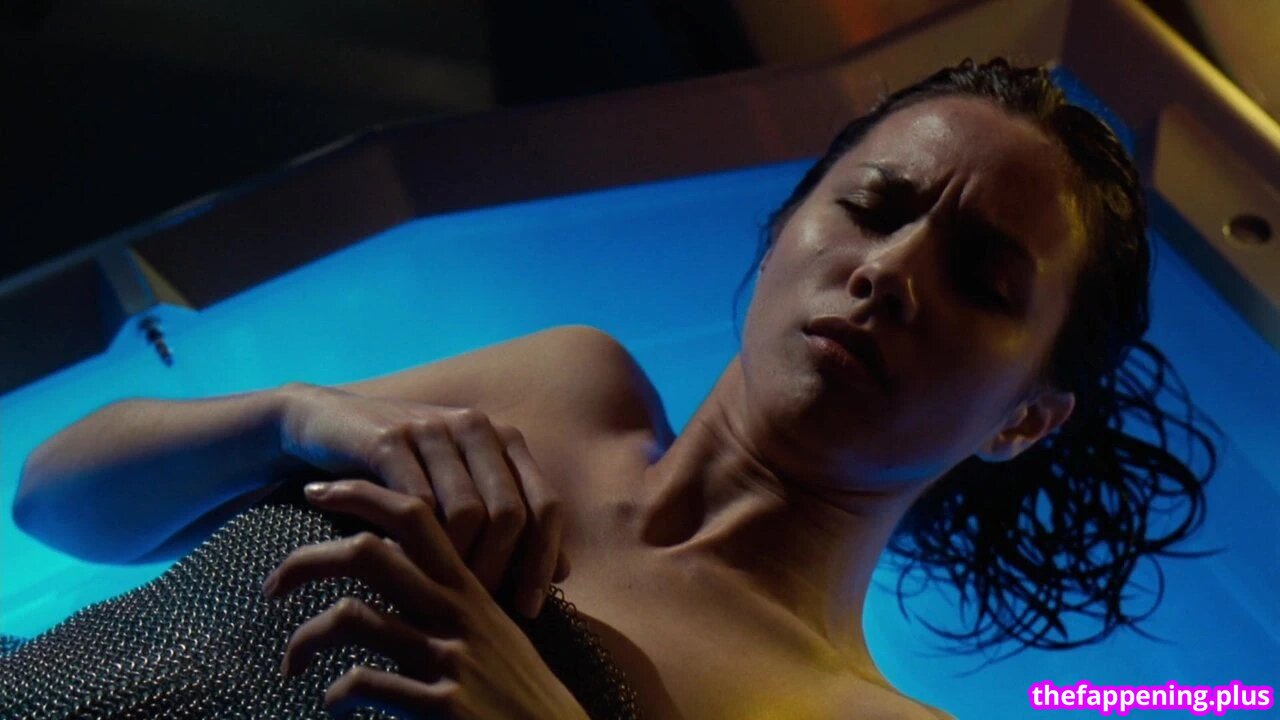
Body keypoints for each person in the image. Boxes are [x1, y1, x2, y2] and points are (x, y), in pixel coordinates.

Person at [11, 59, 1217, 719]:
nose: (890, 273)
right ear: (784, 226)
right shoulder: (561, 385)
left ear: (1022, 420)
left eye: (980, 282)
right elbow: (53, 501)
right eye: (872, 208)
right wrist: (295, 418)